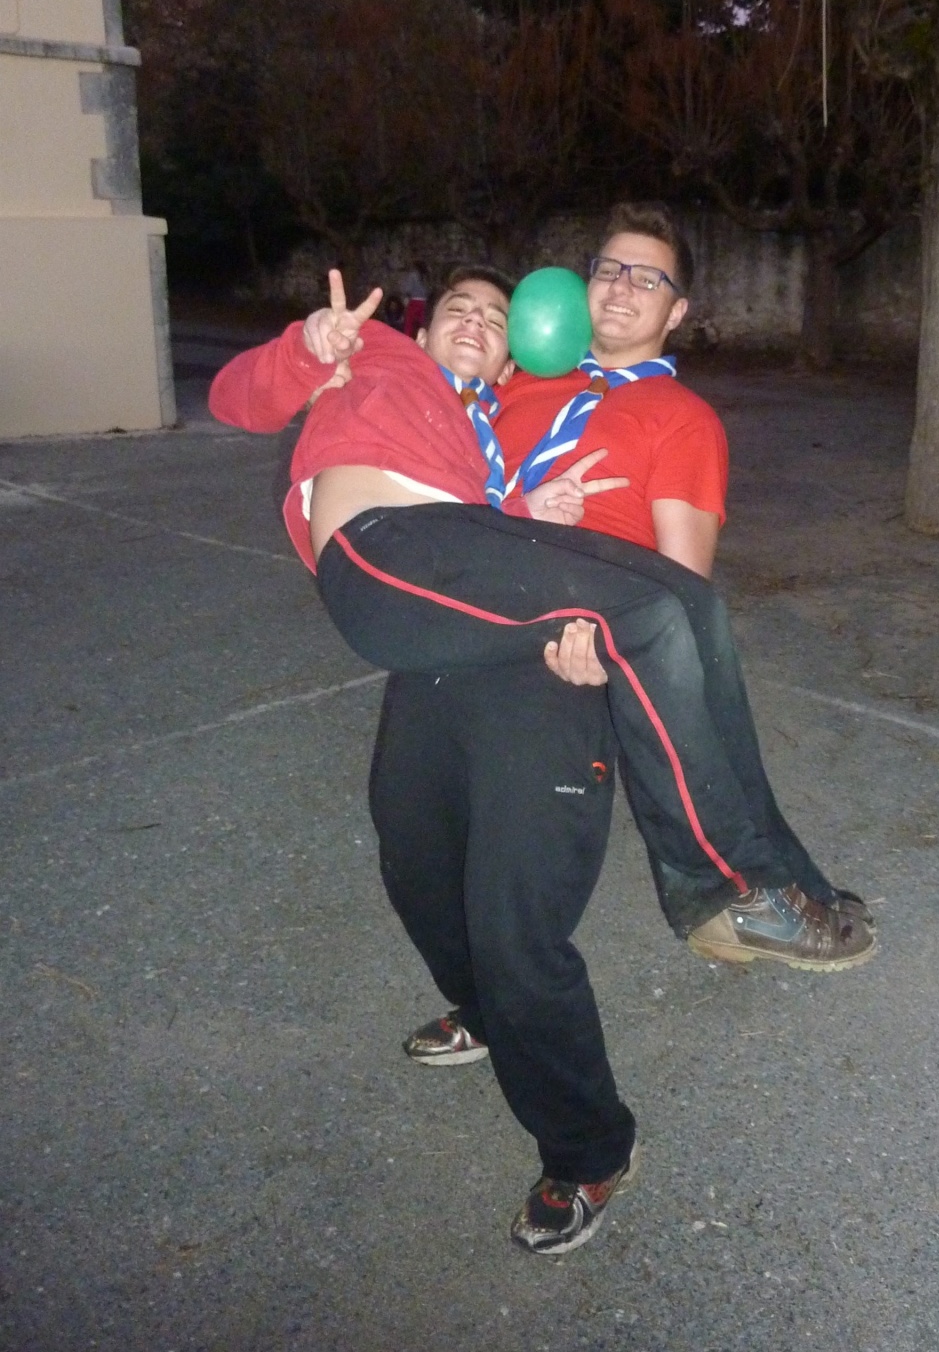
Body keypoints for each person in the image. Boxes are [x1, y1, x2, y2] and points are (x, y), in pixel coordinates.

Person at [323, 209, 874, 1254]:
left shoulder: (682, 420)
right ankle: (484, 1009)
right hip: (450, 642)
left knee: (516, 926)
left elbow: (679, 593)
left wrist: (607, 656)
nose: (621, 286)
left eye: (647, 277)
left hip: (561, 670)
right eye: (609, 268)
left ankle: (587, 1148)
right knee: (415, 863)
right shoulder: (512, 380)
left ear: (679, 309)